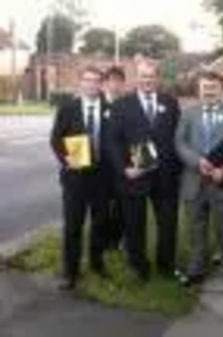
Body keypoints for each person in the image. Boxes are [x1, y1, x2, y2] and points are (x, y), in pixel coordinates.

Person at [108, 58, 182, 281]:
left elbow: (177, 137)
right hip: (134, 176)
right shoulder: (122, 105)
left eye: (151, 76)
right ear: (136, 78)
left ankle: (166, 265)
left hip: (165, 177)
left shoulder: (170, 102)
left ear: (157, 78)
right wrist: (125, 169)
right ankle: (139, 266)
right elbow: (112, 141)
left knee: (168, 224)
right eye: (143, 76)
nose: (147, 80)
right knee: (134, 225)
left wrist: (177, 168)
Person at [175, 70, 223, 294]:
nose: (209, 91)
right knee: (196, 230)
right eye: (205, 87)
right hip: (194, 181)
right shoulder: (188, 113)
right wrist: (198, 162)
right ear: (199, 89)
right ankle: (196, 270)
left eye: (213, 87)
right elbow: (179, 143)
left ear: (222, 89)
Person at [50, 67, 111, 290]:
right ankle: (71, 272)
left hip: (102, 178)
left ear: (101, 84)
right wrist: (67, 160)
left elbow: (117, 141)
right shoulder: (68, 108)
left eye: (96, 80)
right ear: (81, 83)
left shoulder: (110, 109)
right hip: (75, 178)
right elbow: (56, 139)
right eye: (87, 80)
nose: (91, 84)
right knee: (73, 225)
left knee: (99, 223)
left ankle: (97, 263)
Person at [101, 66, 126, 251]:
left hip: (122, 164)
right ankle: (105, 238)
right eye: (111, 81)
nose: (115, 85)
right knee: (102, 204)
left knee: (120, 203)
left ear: (122, 84)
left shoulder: (128, 105)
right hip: (101, 166)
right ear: (105, 83)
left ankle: (118, 238)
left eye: (118, 81)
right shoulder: (98, 104)